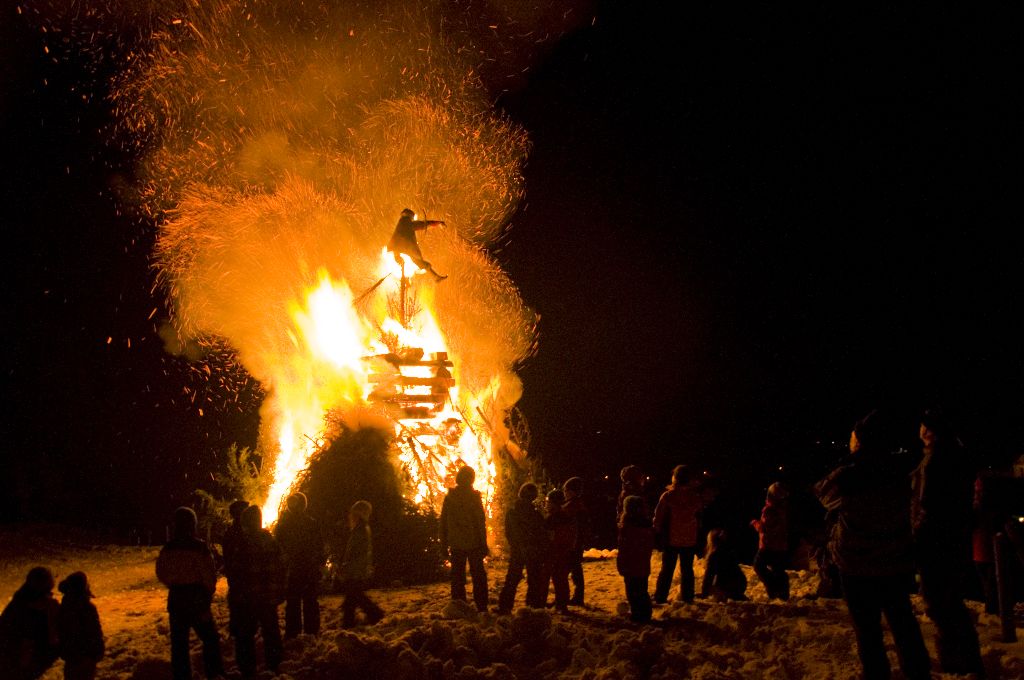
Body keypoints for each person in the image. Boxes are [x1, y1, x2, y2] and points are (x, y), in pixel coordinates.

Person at [816, 409, 932, 680]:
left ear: (860, 440)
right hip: (894, 560)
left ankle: (876, 674)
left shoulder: (848, 476)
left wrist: (851, 459)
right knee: (903, 621)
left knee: (867, 629)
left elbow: (822, 492)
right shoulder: (901, 472)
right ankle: (917, 672)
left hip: (856, 563)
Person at [911, 408, 985, 676]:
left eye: (924, 426)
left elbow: (927, 503)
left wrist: (916, 536)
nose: (920, 432)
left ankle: (958, 661)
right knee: (951, 600)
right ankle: (964, 658)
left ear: (932, 430)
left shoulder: (937, 459)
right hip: (954, 539)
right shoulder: (957, 455)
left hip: (936, 541)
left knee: (941, 602)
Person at [155, 507, 224, 680]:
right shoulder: (199, 548)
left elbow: (161, 572)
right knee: (210, 638)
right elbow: (209, 575)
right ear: (192, 525)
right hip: (196, 599)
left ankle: (182, 676)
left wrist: (174, 584)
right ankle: (214, 673)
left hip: (177, 599)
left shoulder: (168, 548)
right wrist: (207, 593)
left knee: (179, 644)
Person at [231, 505, 285, 677]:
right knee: (271, 631)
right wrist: (278, 590)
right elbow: (281, 567)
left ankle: (248, 669)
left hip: (250, 597)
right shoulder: (271, 541)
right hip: (268, 596)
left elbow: (238, 572)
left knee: (245, 634)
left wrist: (237, 594)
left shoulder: (244, 544)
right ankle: (274, 665)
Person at [439, 465, 490, 612]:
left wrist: (443, 544)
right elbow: (480, 522)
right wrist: (483, 543)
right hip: (474, 543)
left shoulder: (450, 498)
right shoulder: (474, 498)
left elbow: (443, 523)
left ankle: (459, 606)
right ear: (471, 479)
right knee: (478, 576)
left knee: (457, 578)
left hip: (456, 544)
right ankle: (481, 607)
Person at [652, 464, 705, 604]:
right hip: (689, 539)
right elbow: (699, 514)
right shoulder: (694, 497)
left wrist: (656, 531)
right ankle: (688, 597)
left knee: (667, 569)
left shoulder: (668, 496)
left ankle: (660, 596)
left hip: (671, 539)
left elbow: (658, 516)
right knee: (687, 570)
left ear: (675, 477)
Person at [274, 492, 325, 638]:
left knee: (296, 601)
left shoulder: (286, 525)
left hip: (298, 569)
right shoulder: (310, 523)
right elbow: (320, 547)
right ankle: (308, 631)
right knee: (304, 601)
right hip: (302, 568)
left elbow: (278, 546)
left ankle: (296, 632)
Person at [497, 482, 550, 614]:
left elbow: (509, 533)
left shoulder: (512, 512)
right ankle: (532, 607)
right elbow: (542, 534)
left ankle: (505, 607)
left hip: (519, 550)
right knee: (533, 579)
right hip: (532, 550)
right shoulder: (535, 514)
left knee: (512, 579)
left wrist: (516, 546)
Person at [0, 566, 59, 680]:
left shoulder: (19, 599)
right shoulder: (40, 605)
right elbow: (29, 634)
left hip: (13, 653)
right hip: (23, 655)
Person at [338, 500, 384, 627]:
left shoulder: (360, 529)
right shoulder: (360, 528)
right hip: (356, 568)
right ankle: (351, 620)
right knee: (353, 596)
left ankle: (374, 614)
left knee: (355, 595)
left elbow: (357, 551)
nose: (350, 516)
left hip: (355, 569)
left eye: (353, 513)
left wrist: (347, 566)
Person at [56, 572, 104, 680]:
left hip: (71, 656)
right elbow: (94, 631)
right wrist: (97, 651)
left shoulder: (65, 606)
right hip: (86, 655)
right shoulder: (86, 607)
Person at [617, 495, 655, 623]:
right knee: (642, 590)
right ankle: (645, 613)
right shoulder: (646, 526)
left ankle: (638, 614)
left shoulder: (628, 528)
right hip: (642, 565)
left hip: (631, 565)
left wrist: (621, 564)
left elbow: (624, 549)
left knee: (633, 592)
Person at [751, 482, 791, 601]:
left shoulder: (770, 510)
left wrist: (755, 523)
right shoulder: (783, 509)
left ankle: (773, 587)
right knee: (778, 569)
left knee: (758, 566)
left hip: (768, 545)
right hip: (780, 545)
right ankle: (782, 593)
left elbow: (764, 528)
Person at [388, 208, 447, 280]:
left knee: (416, 261)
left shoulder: (401, 223)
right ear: (410, 215)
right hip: (405, 247)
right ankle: (435, 277)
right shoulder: (407, 222)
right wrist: (438, 223)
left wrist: (396, 255)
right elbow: (422, 224)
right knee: (417, 260)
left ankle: (435, 277)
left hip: (397, 247)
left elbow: (396, 241)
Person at [544, 488, 577, 613]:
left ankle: (553, 604)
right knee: (561, 579)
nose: (547, 504)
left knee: (552, 578)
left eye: (548, 502)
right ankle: (561, 604)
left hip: (554, 553)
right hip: (566, 552)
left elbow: (549, 537)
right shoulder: (568, 517)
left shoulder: (552, 519)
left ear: (554, 503)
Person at [220, 499, 249, 641]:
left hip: (236, 575)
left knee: (237, 603)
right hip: (241, 575)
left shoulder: (231, 532)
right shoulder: (241, 532)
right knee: (241, 603)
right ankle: (240, 633)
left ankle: (237, 632)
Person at [562, 477, 590, 606]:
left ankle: (571, 597)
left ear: (573, 492)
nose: (564, 493)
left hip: (572, 544)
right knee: (575, 569)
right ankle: (577, 596)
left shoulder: (572, 507)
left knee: (568, 570)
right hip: (576, 543)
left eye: (566, 490)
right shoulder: (578, 505)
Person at [701, 529, 747, 601]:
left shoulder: (714, 555)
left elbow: (709, 575)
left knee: (714, 588)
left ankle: (727, 594)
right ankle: (736, 595)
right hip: (741, 584)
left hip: (728, 586)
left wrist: (704, 593)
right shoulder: (728, 551)